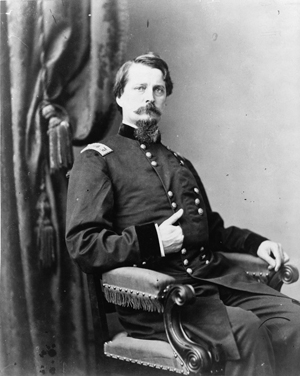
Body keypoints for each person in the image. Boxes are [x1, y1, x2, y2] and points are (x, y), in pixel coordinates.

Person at [66, 52, 300, 376]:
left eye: (158, 90)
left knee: (294, 320)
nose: (150, 97)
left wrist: (256, 244)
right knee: (248, 330)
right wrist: (154, 241)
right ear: (119, 96)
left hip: (216, 282)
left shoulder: (178, 162)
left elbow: (210, 228)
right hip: (164, 301)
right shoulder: (98, 160)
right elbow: (84, 245)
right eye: (140, 88)